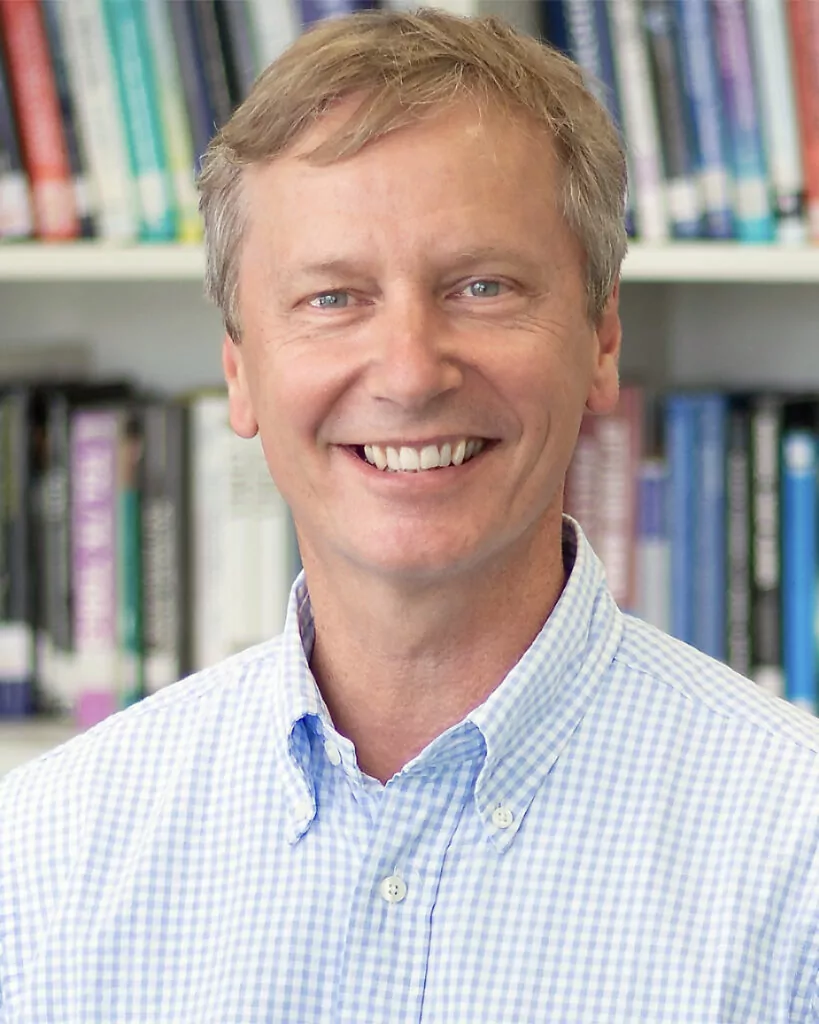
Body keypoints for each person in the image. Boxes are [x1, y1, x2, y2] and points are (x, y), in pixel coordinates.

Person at [2, 8, 818, 1023]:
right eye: (334, 298)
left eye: (482, 286)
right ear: (239, 366)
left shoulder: (800, 857)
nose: (409, 372)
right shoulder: (40, 862)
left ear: (602, 338)